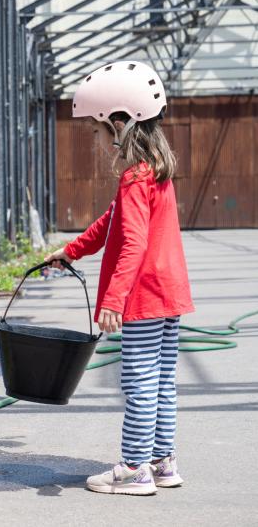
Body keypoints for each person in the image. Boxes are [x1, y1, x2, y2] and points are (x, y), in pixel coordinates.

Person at [45, 61, 194, 496]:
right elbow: (112, 223)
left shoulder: (134, 177)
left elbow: (132, 242)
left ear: (120, 122)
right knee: (162, 380)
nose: (99, 140)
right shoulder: (154, 173)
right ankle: (163, 462)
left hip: (143, 296)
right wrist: (69, 251)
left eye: (99, 130)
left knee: (138, 382)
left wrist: (113, 299)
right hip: (169, 292)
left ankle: (133, 469)